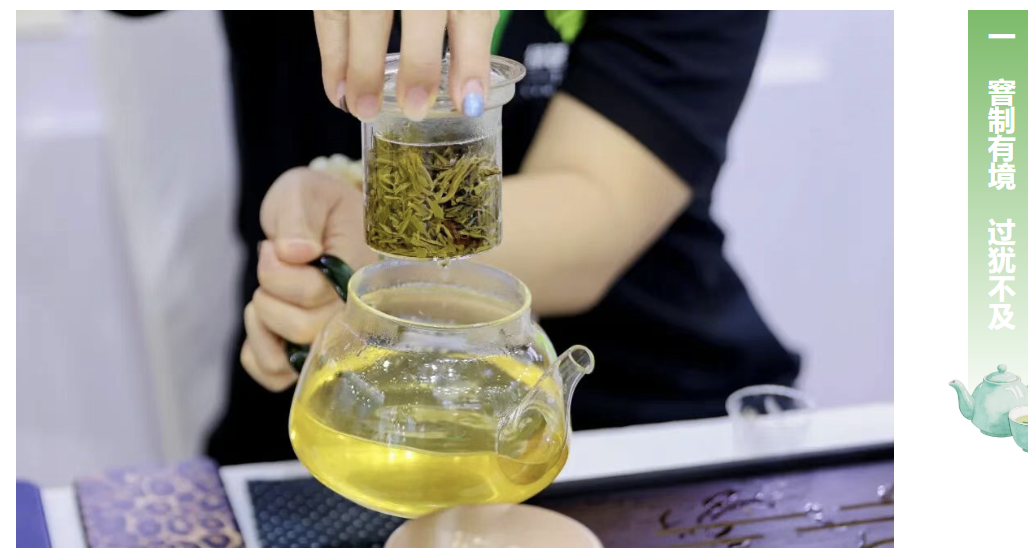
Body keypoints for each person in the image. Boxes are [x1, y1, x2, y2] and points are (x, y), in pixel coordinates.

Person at [117, 10, 802, 466]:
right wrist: (337, 258)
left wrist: (372, 249)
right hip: (335, 401)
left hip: (630, 415)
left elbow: (597, 202)